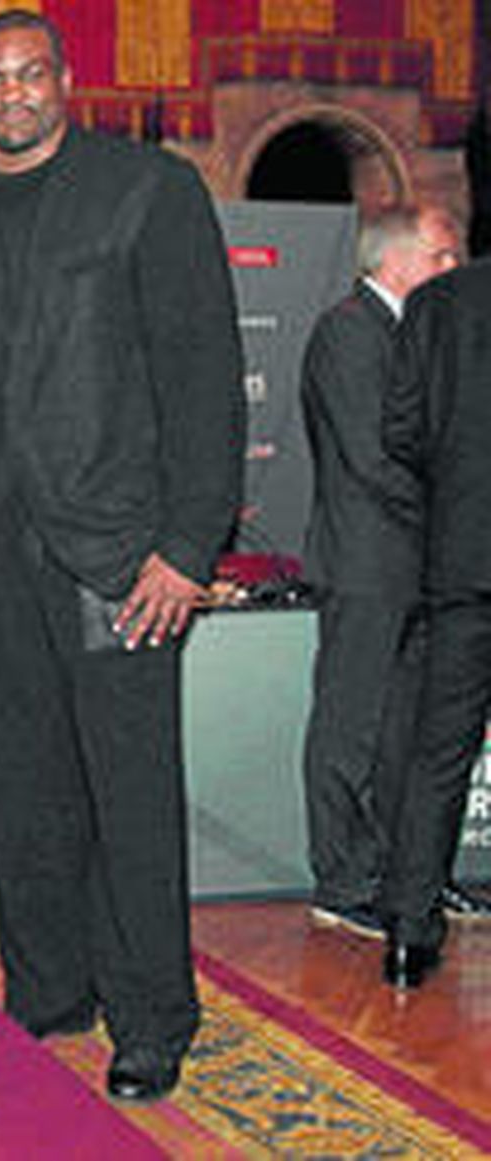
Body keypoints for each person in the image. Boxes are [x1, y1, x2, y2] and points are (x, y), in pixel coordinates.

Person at [0, 9, 244, 1103]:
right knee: (22, 794)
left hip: (120, 560)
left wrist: (186, 549)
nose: (12, 95)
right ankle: (47, 996)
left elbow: (201, 377)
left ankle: (151, 1018)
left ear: (65, 78)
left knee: (132, 801)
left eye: (30, 74)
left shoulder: (149, 191)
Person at [300, 206, 467, 941]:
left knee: (409, 734)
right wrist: (455, 512)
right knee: (351, 728)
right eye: (441, 255)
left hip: (417, 567)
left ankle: (413, 877)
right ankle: (343, 881)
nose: (452, 269)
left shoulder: (416, 333)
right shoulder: (348, 331)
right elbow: (374, 460)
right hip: (368, 563)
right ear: (395, 259)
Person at [378, 248, 491, 988]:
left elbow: (401, 429)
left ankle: (408, 932)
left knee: (438, 752)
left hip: (462, 558)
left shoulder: (436, 304)